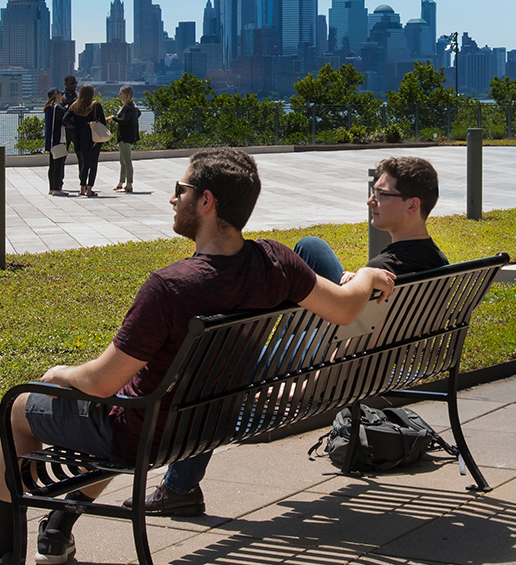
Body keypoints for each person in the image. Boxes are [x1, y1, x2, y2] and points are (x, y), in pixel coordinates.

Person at [0, 147, 394, 565]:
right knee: (133, 404)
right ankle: (57, 528)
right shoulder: (275, 262)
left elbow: (101, 383)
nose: (173, 199)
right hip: (206, 425)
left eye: (179, 190)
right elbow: (343, 308)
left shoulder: (170, 287)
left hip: (146, 434)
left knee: (19, 407)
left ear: (206, 202)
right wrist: (366, 276)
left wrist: (59, 373)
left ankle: (2, 555)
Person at [143, 154, 449, 516]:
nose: (370, 200)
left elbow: (348, 354)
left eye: (381, 194)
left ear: (412, 205)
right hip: (370, 356)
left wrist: (298, 387)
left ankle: (179, 487)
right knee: (311, 247)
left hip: (327, 361)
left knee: (213, 369)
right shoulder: (435, 263)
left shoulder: (384, 273)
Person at [65, 85, 106, 197]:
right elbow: (103, 122)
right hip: (93, 139)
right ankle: (89, 189)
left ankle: (82, 188)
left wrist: (75, 127)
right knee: (93, 164)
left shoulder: (74, 106)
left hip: (79, 138)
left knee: (84, 163)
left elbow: (65, 119)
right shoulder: (95, 105)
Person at [112, 87, 142, 193]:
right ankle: (121, 183)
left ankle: (129, 185)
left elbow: (124, 121)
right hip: (126, 136)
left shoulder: (128, 107)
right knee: (123, 161)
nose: (119, 95)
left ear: (126, 95)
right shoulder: (132, 106)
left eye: (121, 93)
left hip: (125, 137)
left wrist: (113, 118)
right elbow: (138, 114)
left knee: (127, 161)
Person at [42, 89, 68, 196]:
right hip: (58, 140)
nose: (62, 96)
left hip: (51, 141)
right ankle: (57, 188)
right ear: (56, 95)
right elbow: (65, 121)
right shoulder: (57, 108)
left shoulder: (49, 108)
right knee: (58, 164)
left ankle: (52, 187)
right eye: (61, 94)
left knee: (52, 165)